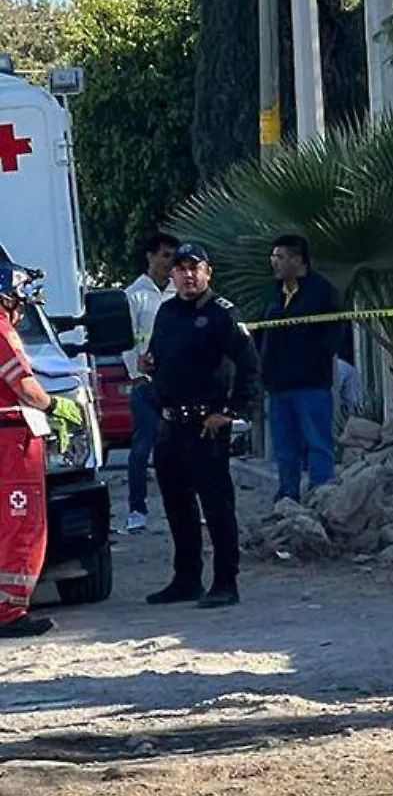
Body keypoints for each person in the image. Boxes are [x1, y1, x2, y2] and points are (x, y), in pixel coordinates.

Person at [145, 244, 260, 609]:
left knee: (217, 506)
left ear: (208, 272)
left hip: (205, 425)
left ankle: (226, 582)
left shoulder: (222, 314)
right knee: (178, 507)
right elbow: (161, 357)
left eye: (195, 268)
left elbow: (249, 365)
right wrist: (150, 365)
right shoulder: (166, 313)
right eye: (180, 268)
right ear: (173, 274)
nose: (188, 275)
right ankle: (187, 579)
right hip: (170, 426)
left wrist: (230, 410)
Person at [0, 264, 86, 638]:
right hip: (11, 442)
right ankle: (9, 612)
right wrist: (55, 407)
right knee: (22, 525)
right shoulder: (2, 330)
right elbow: (25, 387)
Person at [257, 234, 344, 504]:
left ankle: (320, 493)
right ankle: (288, 493)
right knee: (285, 447)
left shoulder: (321, 290)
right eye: (273, 256)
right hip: (278, 384)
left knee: (317, 441)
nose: (274, 262)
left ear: (298, 259)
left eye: (280, 256)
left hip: (310, 383)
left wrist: (313, 358)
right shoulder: (276, 291)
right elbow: (264, 330)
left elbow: (334, 332)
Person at [121, 232, 177, 533]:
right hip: (146, 383)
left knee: (183, 446)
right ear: (150, 256)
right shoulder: (134, 295)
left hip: (177, 381)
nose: (169, 263)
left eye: (173, 256)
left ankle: (183, 506)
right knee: (143, 446)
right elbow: (128, 339)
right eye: (165, 255)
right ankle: (137, 509)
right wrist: (137, 371)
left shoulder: (177, 293)